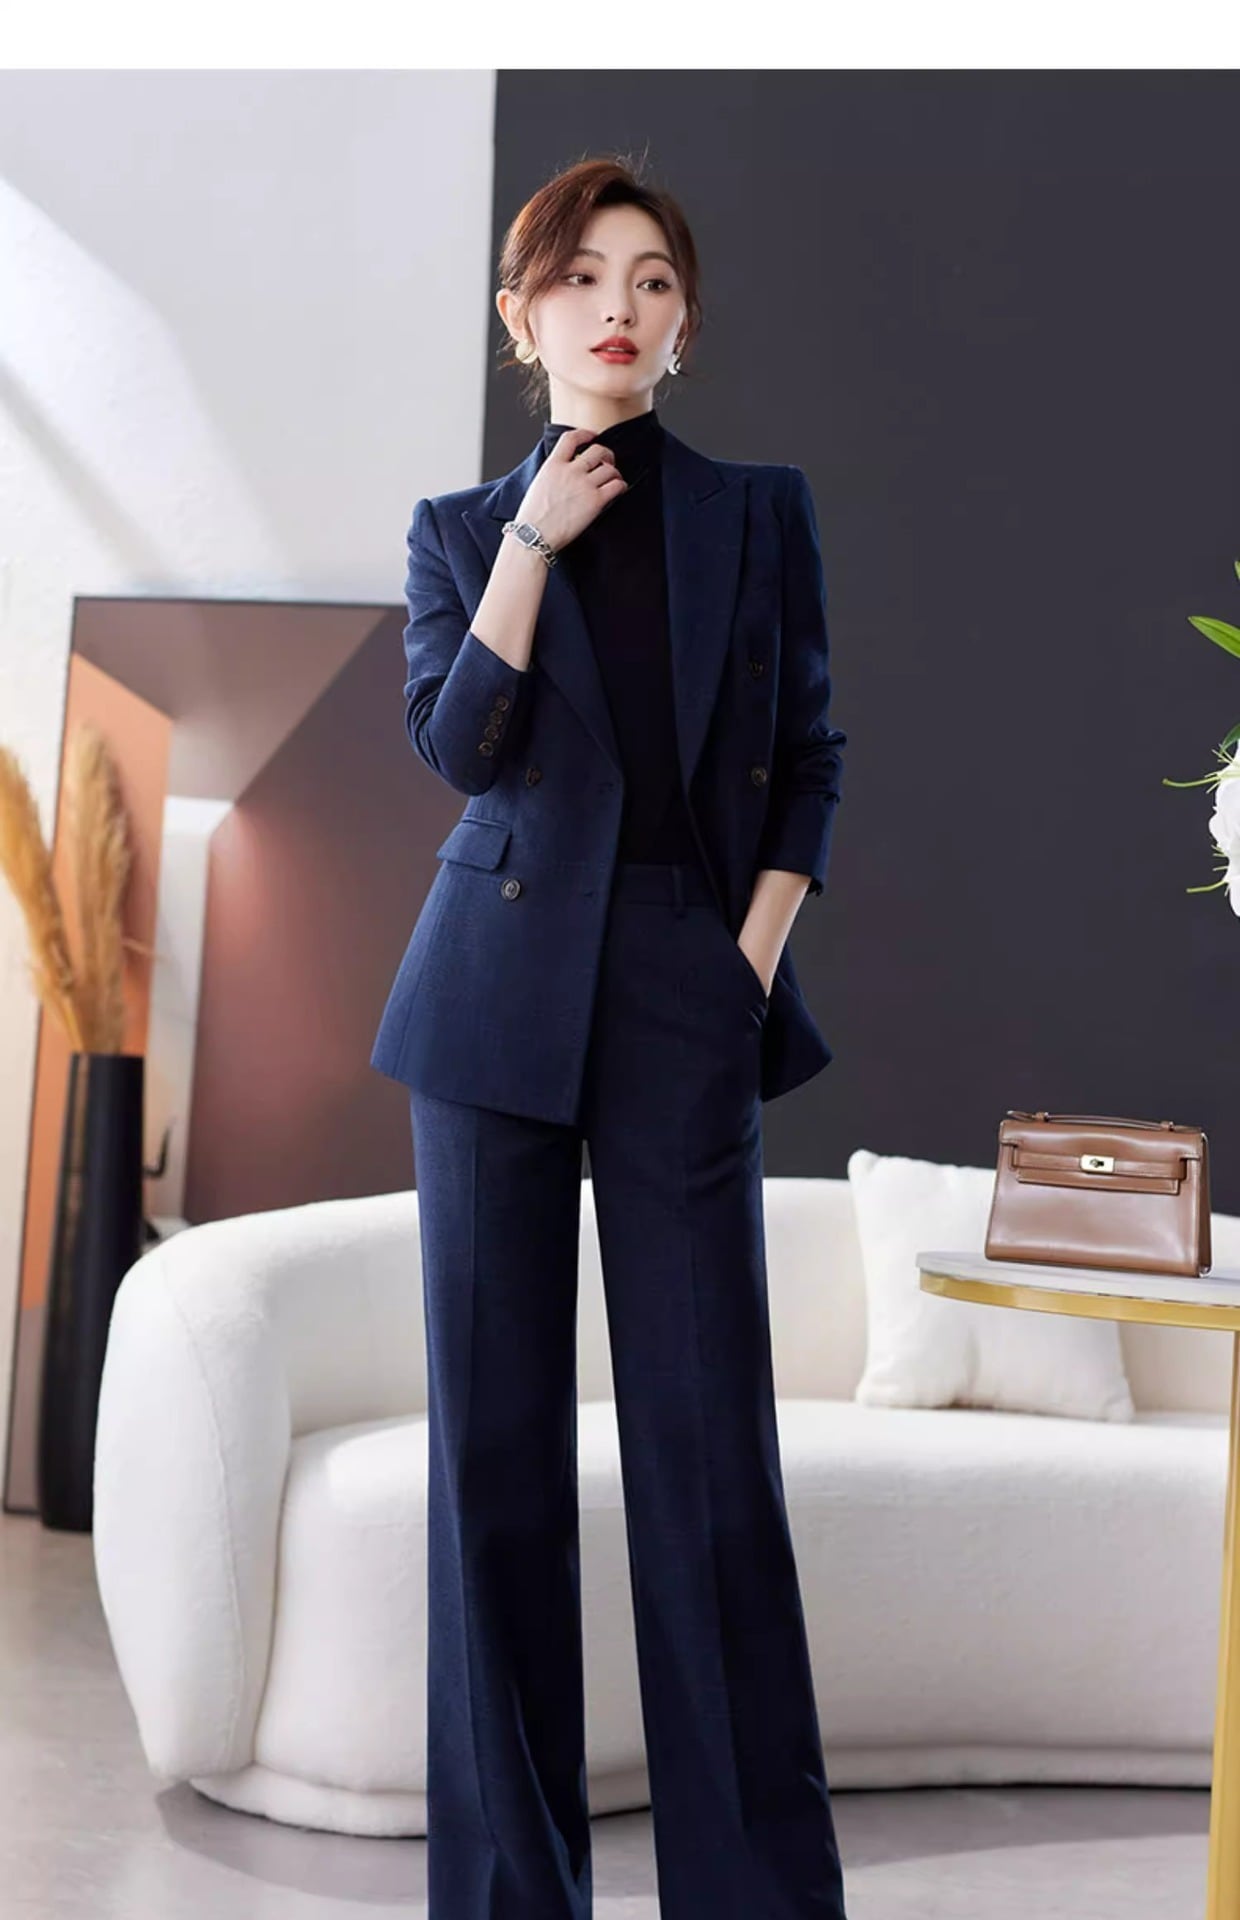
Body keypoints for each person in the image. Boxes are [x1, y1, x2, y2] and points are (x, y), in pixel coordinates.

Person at [370, 153, 850, 1920]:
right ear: (525, 316)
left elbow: (810, 760)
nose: (617, 308)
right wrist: (532, 541)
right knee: (493, 1468)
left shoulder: (758, 513)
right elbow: (460, 747)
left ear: (685, 320)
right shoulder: (456, 529)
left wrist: (744, 967)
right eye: (581, 278)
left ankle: (755, 1899)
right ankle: (511, 1899)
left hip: (681, 988)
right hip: (489, 997)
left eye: (650, 280)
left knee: (708, 1465)